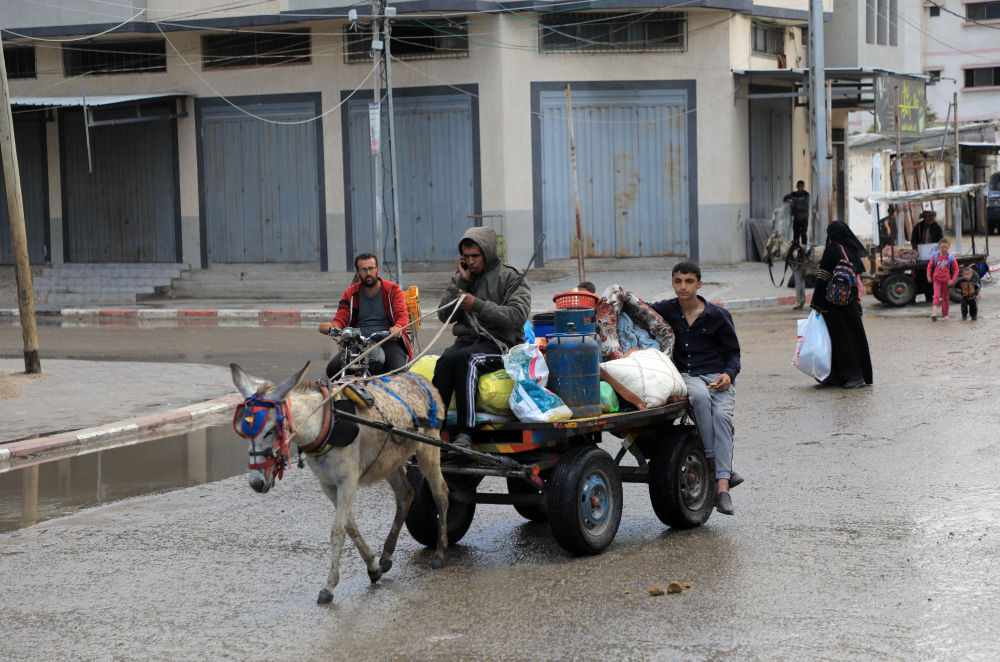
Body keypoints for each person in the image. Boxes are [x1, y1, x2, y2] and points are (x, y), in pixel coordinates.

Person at [649, 262, 743, 516]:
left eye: (689, 281)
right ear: (672, 282)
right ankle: (715, 464)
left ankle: (722, 491)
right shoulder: (666, 310)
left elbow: (733, 354)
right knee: (699, 397)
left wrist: (728, 374)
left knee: (722, 417)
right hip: (686, 376)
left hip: (717, 376)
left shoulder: (718, 316)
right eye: (678, 281)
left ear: (699, 284)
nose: (683, 286)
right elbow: (638, 308)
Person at [434, 227, 531, 448]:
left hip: (501, 344)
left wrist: (476, 305)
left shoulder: (511, 276)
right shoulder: (464, 277)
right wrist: (462, 282)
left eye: (475, 256)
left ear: (487, 252)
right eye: (466, 257)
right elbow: (444, 315)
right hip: (468, 341)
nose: (470, 262)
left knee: (468, 360)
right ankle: (432, 428)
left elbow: (517, 316)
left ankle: (465, 433)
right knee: (445, 360)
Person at [318, 253, 411, 378]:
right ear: (357, 272)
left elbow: (402, 315)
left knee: (397, 371)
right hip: (358, 342)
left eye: (371, 268)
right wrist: (332, 326)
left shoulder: (392, 290)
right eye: (363, 269)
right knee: (333, 369)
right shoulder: (351, 293)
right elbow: (341, 318)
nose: (368, 273)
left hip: (387, 339)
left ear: (378, 269)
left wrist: (398, 327)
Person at [810, 221, 873, 389]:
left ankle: (853, 376)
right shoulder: (851, 249)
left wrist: (817, 303)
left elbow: (823, 276)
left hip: (835, 303)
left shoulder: (832, 249)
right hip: (851, 301)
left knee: (841, 340)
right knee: (855, 338)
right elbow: (858, 276)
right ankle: (841, 376)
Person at [927, 239, 959, 321]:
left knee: (945, 297)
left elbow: (956, 270)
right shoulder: (935, 256)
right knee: (936, 295)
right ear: (939, 247)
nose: (944, 249)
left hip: (946, 281)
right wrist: (929, 276)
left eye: (946, 247)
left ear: (948, 247)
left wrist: (953, 280)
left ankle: (945, 314)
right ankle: (934, 314)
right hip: (936, 279)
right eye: (942, 247)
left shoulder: (951, 258)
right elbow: (929, 266)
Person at [783, 180, 810, 246]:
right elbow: (786, 198)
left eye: (801, 186)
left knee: (803, 234)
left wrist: (795, 205)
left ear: (803, 187)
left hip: (804, 218)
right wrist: (788, 201)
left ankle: (804, 249)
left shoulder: (806, 195)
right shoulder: (793, 194)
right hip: (796, 218)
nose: (800, 188)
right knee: (796, 234)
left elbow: (805, 206)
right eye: (799, 186)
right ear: (796, 186)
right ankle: (795, 249)